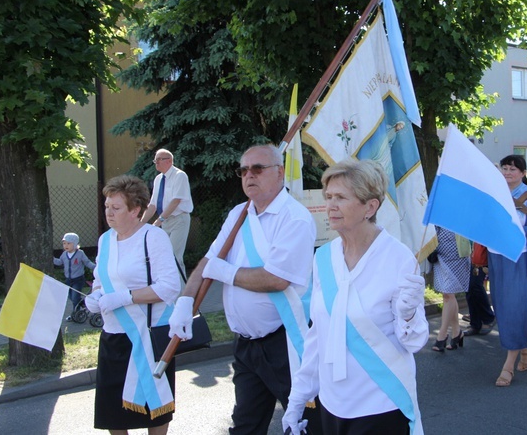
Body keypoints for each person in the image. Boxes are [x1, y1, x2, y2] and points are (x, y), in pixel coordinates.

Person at [168, 144, 319, 434]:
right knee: (245, 427)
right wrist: (185, 302)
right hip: (246, 346)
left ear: (279, 173)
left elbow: (276, 279)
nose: (249, 175)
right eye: (244, 170)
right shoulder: (239, 213)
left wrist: (226, 272)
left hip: (285, 344)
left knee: (309, 425)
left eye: (257, 169)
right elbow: (208, 261)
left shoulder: (295, 218)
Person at [283, 159, 427, 434]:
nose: (330, 206)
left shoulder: (399, 258)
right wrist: (298, 398)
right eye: (328, 197)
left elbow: (415, 341)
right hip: (332, 404)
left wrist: (408, 314)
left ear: (370, 207)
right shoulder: (323, 257)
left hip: (382, 404)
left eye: (341, 198)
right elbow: (317, 337)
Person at [85, 175, 181, 433]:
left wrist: (126, 296)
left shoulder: (153, 237)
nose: (109, 213)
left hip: (149, 336)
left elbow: (170, 287)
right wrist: (95, 295)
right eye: (107, 207)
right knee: (112, 414)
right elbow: (100, 279)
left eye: (116, 208)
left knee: (155, 412)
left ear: (135, 210)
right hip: (114, 336)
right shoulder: (105, 240)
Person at [488, 155, 527, 387]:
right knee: (502, 307)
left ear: (522, 173)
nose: (508, 172)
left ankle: (508, 365)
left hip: (518, 257)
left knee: (514, 307)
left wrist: (515, 226)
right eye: (505, 168)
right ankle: (525, 345)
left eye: (513, 169)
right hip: (496, 255)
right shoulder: (494, 194)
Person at [141, 149, 194, 276]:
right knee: (163, 258)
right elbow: (153, 204)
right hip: (165, 222)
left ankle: (182, 293)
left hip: (179, 220)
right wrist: (140, 224)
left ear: (169, 161)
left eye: (159, 159)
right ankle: (169, 291)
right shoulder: (158, 179)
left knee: (174, 257)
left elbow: (176, 200)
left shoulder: (179, 176)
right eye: (155, 160)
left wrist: (158, 221)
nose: (156, 162)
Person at [429, 226, 470, 352]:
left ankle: (442, 335)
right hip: (439, 253)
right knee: (447, 295)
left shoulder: (461, 208)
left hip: (456, 253)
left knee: (448, 294)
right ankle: (457, 332)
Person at [53, 232, 95, 319]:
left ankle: (75, 314)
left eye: (68, 243)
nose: (66, 246)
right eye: (64, 243)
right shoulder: (64, 254)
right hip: (68, 280)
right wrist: (52, 259)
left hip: (78, 280)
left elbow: (87, 262)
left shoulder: (80, 253)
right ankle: (82, 305)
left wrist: (96, 267)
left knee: (75, 297)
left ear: (75, 244)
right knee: (70, 297)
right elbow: (59, 262)